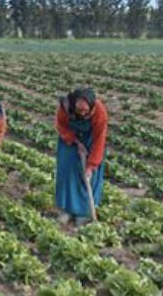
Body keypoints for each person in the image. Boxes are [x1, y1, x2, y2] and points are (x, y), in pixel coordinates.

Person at [55, 88, 107, 227]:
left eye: (86, 111)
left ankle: (83, 213)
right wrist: (75, 142)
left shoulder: (99, 111)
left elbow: (99, 139)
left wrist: (91, 165)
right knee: (68, 172)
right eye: (79, 110)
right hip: (69, 139)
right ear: (73, 105)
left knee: (88, 178)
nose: (83, 113)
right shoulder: (65, 108)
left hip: (91, 139)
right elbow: (61, 126)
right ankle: (67, 210)